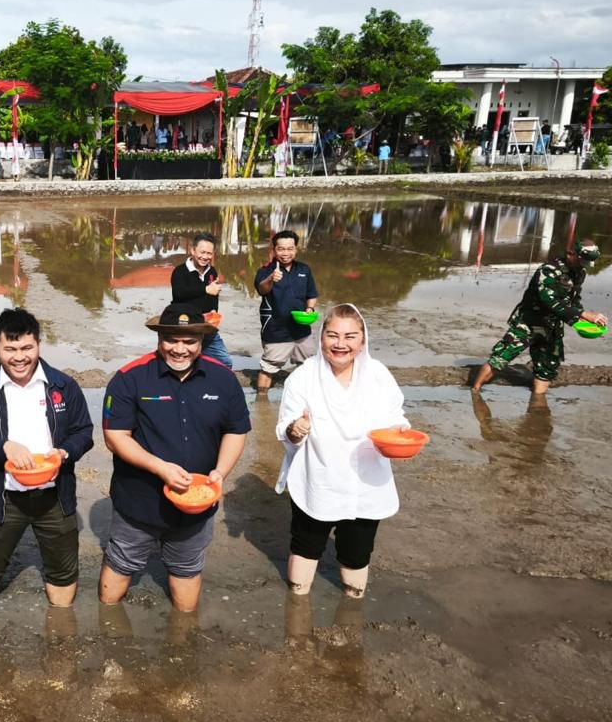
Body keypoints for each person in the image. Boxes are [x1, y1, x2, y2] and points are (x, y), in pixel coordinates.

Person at [99, 305, 251, 612]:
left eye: (189, 341)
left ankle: (183, 631)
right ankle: (107, 626)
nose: (180, 349)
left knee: (187, 567)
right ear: (159, 338)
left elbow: (236, 431)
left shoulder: (223, 379)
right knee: (122, 562)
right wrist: (160, 468)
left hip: (197, 502)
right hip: (139, 500)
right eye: (171, 340)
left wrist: (220, 472)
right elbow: (115, 437)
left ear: (202, 340)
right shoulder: (129, 378)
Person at [0, 308, 95, 616]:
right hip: (4, 499)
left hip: (55, 497)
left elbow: (84, 432)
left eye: (26, 348)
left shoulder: (63, 386)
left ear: (39, 345)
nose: (19, 357)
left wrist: (64, 452)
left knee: (63, 575)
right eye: (10, 349)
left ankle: (61, 635)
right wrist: (3, 447)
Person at [274, 304, 409, 598]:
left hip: (366, 481)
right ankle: (297, 605)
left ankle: (352, 605)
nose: (340, 344)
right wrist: (295, 428)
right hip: (317, 477)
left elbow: (395, 416)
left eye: (350, 336)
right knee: (306, 547)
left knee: (356, 554)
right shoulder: (303, 377)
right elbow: (285, 426)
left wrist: (400, 434)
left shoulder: (377, 374)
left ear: (363, 340)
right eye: (333, 335)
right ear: (321, 337)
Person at [471, 239, 608, 394]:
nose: (584, 265)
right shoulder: (549, 270)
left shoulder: (579, 273)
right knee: (501, 358)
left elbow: (573, 300)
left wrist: (580, 320)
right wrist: (582, 314)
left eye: (587, 263)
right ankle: (475, 392)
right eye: (582, 261)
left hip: (552, 326)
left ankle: (538, 400)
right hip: (528, 322)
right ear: (571, 254)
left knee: (547, 368)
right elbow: (548, 300)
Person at [255, 229, 319, 391]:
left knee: (309, 366)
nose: (286, 253)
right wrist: (271, 278)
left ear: (296, 249)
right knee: (269, 368)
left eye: (290, 248)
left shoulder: (304, 269)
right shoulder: (266, 271)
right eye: (281, 249)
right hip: (276, 329)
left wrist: (310, 308)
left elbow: (312, 295)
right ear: (274, 250)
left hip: (302, 329)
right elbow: (262, 289)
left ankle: (303, 397)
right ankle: (261, 400)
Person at [169, 231, 232, 366]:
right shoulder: (180, 271)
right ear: (193, 250)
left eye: (209, 253)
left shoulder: (212, 271)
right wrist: (205, 289)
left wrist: (214, 311)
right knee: (183, 362)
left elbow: (214, 295)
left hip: (206, 326)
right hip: (185, 326)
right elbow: (179, 293)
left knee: (225, 362)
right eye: (202, 252)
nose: (205, 257)